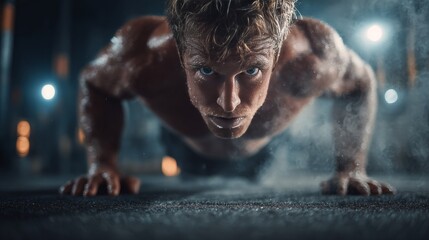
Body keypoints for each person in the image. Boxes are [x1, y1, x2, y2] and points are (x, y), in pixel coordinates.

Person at [60, 0, 395, 196]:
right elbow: (94, 82)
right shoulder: (142, 52)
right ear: (179, 52)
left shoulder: (314, 54)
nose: (229, 103)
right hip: (182, 149)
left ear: (276, 52)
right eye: (207, 71)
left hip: (265, 153)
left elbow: (362, 82)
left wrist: (351, 169)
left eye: (251, 72)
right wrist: (102, 164)